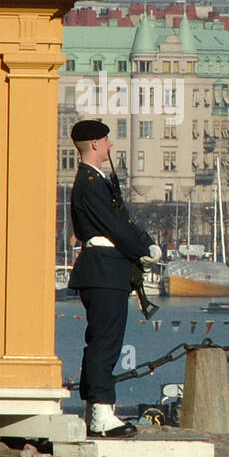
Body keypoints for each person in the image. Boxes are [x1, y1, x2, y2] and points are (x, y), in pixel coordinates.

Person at [68, 119, 160, 438]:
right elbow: (114, 225)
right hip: (104, 269)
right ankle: (101, 413)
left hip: (107, 269)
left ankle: (99, 410)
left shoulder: (95, 180)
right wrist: (145, 246)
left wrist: (140, 240)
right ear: (95, 144)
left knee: (105, 340)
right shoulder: (90, 182)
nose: (110, 145)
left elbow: (118, 221)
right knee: (105, 343)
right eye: (106, 140)